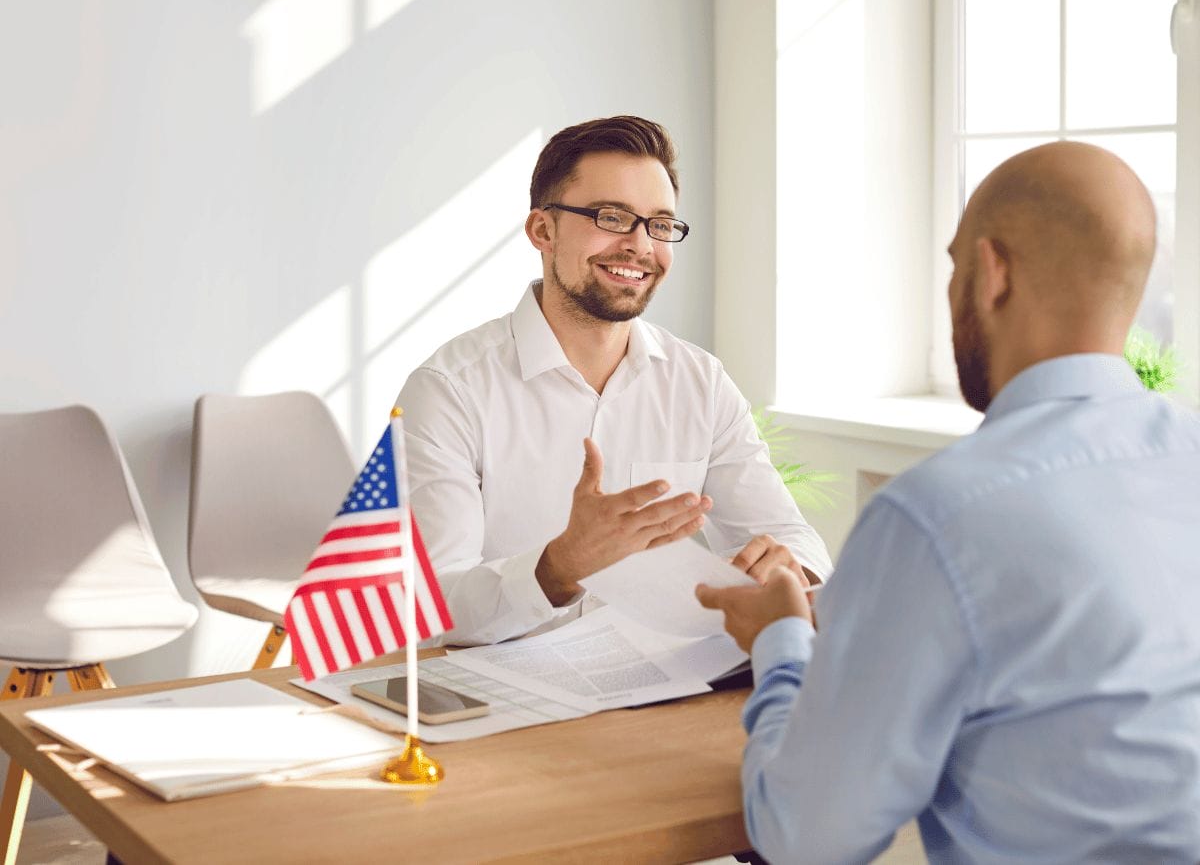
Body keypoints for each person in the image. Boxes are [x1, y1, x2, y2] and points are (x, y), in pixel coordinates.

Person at [698, 141, 1200, 862]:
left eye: (954, 264)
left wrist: (782, 642)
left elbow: (804, 839)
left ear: (992, 273)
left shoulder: (940, 514)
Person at [396, 115, 832, 646]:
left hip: (668, 677)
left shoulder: (701, 382)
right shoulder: (448, 390)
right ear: (543, 231)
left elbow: (788, 534)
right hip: (500, 683)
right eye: (612, 217)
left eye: (660, 224)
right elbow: (431, 606)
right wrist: (556, 569)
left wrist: (790, 569)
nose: (640, 245)